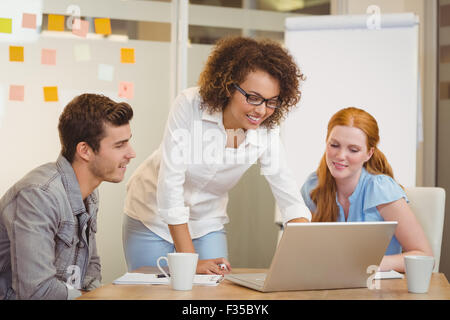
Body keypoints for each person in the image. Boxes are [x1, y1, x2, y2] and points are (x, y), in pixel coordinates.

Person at [123, 36, 311, 275]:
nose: (262, 110)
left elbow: (289, 196)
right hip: (152, 216)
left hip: (206, 221)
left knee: (214, 293)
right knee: (156, 291)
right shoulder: (190, 105)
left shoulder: (267, 132)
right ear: (229, 87)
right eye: (253, 98)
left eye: (271, 102)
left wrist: (304, 253)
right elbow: (170, 184)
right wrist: (189, 262)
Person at [0, 94, 136, 300]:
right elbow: (36, 292)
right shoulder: (38, 196)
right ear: (85, 151)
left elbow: (90, 268)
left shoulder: (89, 192)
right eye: (120, 145)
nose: (131, 153)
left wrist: (94, 294)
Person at [300, 107, 432, 273]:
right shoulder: (313, 187)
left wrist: (368, 264)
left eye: (353, 150)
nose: (340, 155)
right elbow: (302, 250)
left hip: (377, 291)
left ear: (369, 153)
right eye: (334, 145)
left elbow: (425, 257)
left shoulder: (381, 189)